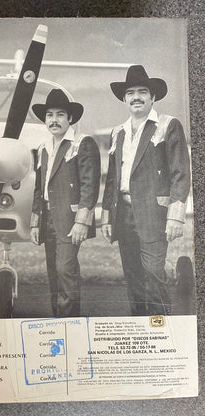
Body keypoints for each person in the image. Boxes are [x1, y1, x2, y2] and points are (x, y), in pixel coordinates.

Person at [101, 65, 191, 316]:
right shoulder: (117, 132)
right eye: (130, 92)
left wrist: (175, 216)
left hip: (154, 212)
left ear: (153, 97)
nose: (136, 96)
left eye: (143, 91)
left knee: (153, 272)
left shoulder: (168, 125)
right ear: (124, 98)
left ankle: (162, 332)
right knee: (133, 277)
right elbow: (112, 178)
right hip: (123, 213)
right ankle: (141, 328)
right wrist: (107, 216)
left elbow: (180, 172)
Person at [30, 89, 100, 317]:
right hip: (48, 218)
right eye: (49, 115)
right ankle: (57, 322)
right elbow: (39, 189)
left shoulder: (83, 143)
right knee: (53, 272)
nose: (54, 119)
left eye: (60, 114)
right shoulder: (43, 148)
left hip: (70, 220)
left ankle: (70, 324)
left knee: (65, 269)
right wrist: (34, 222)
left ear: (70, 118)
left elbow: (90, 186)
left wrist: (82, 222)